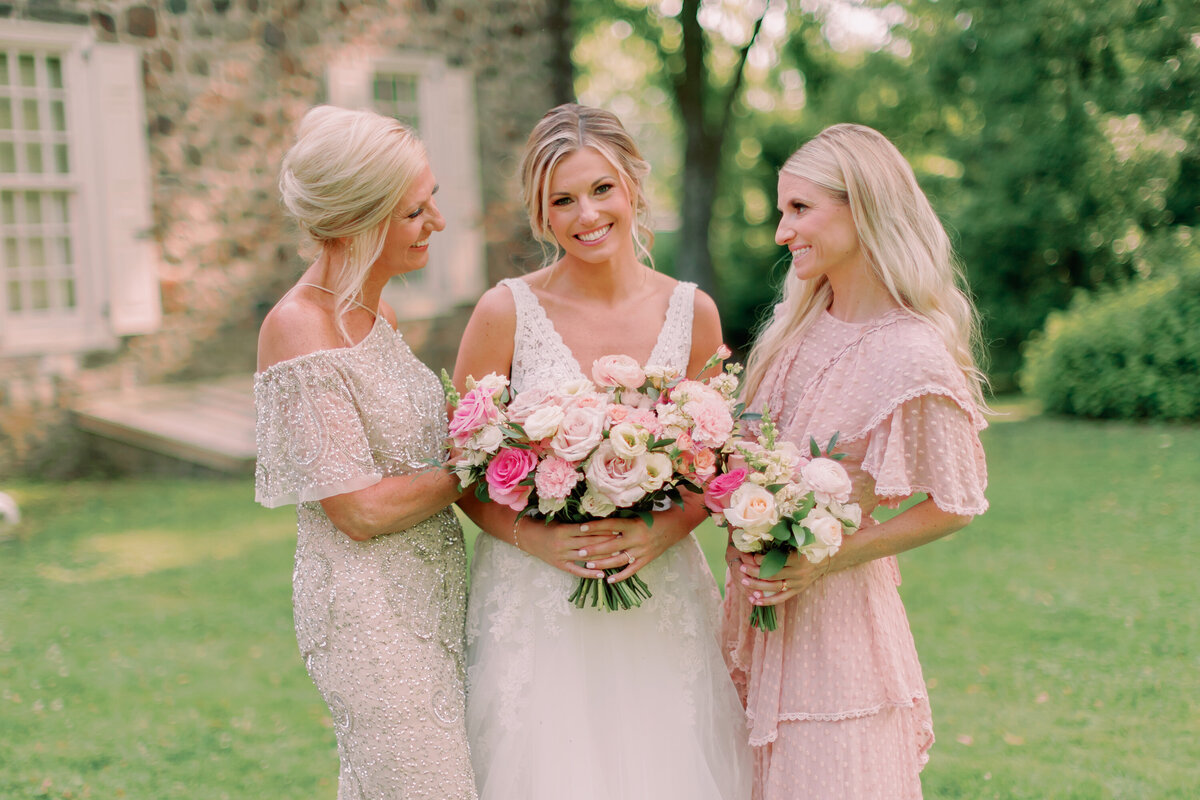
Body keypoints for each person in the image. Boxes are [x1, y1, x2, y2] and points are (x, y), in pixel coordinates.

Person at [454, 103, 751, 800]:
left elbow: (720, 465)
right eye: (563, 200)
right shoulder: (506, 312)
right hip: (536, 601)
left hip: (660, 596)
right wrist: (538, 542)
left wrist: (662, 529)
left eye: (601, 190)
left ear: (633, 188)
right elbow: (462, 475)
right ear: (541, 213)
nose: (586, 214)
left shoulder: (692, 312)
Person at [722, 123, 990, 799]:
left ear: (862, 206)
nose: (783, 231)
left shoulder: (911, 352)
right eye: (784, 211)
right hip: (753, 614)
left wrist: (826, 555)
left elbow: (955, 504)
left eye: (800, 209)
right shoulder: (796, 324)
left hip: (839, 635)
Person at [253, 105, 477, 799]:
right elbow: (356, 507)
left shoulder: (378, 313)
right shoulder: (298, 327)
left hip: (434, 597)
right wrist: (483, 461)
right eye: (415, 211)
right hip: (369, 618)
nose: (436, 221)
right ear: (360, 218)